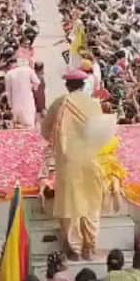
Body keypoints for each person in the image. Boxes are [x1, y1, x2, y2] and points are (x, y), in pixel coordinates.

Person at [41, 68, 109, 260]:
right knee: (90, 202)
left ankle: (75, 249)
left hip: (68, 161)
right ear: (83, 84)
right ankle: (90, 246)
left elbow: (46, 131)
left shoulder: (59, 104)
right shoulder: (94, 104)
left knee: (70, 205)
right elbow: (101, 135)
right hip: (90, 160)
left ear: (67, 85)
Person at [5, 58, 42, 128]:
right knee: (30, 126)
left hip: (16, 105)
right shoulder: (28, 70)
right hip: (28, 103)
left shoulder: (9, 74)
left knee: (18, 126)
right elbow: (37, 82)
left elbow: (8, 92)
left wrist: (10, 105)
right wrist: (31, 88)